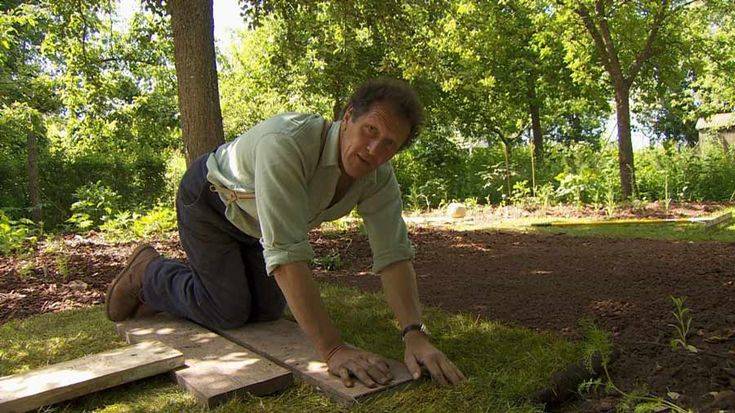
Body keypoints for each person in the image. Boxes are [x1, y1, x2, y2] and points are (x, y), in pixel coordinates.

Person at [105, 78, 465, 388]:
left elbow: (393, 256)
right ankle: (148, 272)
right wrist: (333, 350)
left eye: (390, 144)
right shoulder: (286, 144)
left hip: (256, 222)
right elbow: (287, 256)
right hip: (210, 203)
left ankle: (184, 290)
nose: (374, 150)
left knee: (264, 311)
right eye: (370, 130)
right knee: (228, 309)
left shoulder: (379, 179)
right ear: (348, 116)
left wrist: (414, 333)